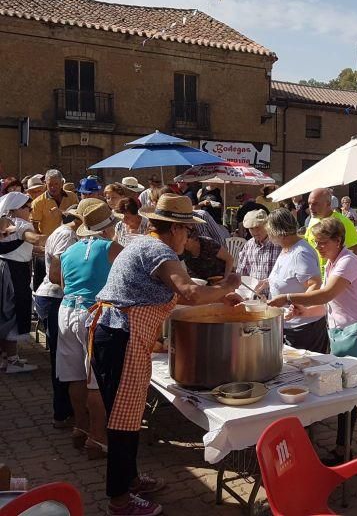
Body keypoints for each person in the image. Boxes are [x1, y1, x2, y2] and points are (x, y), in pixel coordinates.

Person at [90, 194, 241, 516]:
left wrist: (219, 301)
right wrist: (227, 286)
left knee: (128, 416)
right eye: (188, 231)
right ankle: (119, 500)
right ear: (175, 228)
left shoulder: (144, 245)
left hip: (120, 335)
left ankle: (129, 479)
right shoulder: (157, 249)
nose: (189, 238)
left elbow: (177, 300)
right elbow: (190, 292)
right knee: (122, 420)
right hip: (121, 337)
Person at [268, 217, 357, 465]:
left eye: (322, 243)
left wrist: (287, 297)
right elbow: (328, 303)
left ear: (338, 240)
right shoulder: (332, 262)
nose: (318, 248)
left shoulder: (348, 262)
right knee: (344, 394)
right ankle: (344, 448)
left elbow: (326, 293)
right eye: (316, 243)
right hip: (341, 334)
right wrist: (302, 308)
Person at [55, 200, 123, 460]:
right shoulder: (112, 248)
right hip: (92, 313)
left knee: (74, 375)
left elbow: (62, 283)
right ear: (108, 227)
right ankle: (98, 438)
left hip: (67, 310)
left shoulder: (70, 250)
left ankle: (80, 427)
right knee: (95, 380)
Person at [34, 201, 80, 426]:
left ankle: (66, 410)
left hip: (54, 298)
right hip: (54, 298)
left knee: (63, 357)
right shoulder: (67, 236)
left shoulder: (64, 233)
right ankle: (62, 412)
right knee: (62, 358)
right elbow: (57, 274)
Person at [264, 208, 327, 353]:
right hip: (289, 324)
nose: (269, 236)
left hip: (303, 327)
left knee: (304, 370)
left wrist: (296, 305)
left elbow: (315, 284)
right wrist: (268, 281)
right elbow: (289, 275)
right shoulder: (287, 247)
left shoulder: (301, 253)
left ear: (278, 232)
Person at [0, 191, 45, 373]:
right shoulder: (21, 224)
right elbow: (31, 238)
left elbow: (23, 247)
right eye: (28, 207)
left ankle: (4, 357)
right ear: (16, 209)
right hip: (14, 273)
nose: (30, 210)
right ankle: (13, 361)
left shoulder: (6, 223)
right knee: (13, 313)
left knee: (4, 313)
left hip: (5, 267)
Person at [305, 188, 357, 272]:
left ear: (328, 204)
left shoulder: (343, 222)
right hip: (314, 275)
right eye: (309, 204)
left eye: (315, 204)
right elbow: (308, 243)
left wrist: (338, 271)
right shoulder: (313, 220)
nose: (311, 207)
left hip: (334, 277)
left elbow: (356, 251)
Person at [237, 209, 282, 295]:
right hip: (254, 296)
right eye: (251, 228)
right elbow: (241, 272)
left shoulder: (278, 244)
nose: (254, 232)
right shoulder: (248, 245)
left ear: (267, 225)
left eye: (257, 227)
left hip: (275, 296)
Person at [31, 169, 79, 238]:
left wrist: (62, 213)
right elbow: (34, 225)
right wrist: (41, 239)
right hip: (49, 241)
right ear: (45, 183)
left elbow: (78, 216)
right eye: (50, 184)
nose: (53, 187)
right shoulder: (38, 202)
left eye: (56, 184)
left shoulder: (72, 196)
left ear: (62, 183)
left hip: (71, 239)